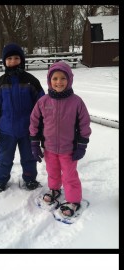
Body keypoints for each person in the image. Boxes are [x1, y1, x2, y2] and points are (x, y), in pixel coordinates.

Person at [29, 61, 92, 219]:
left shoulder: (76, 102)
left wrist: (82, 145)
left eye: (63, 78)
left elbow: (84, 124)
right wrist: (35, 143)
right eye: (55, 78)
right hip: (49, 148)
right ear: (49, 80)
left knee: (70, 176)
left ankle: (73, 200)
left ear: (69, 79)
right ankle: (55, 189)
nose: (58, 82)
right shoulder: (43, 101)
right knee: (53, 172)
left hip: (69, 149)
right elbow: (34, 122)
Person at [0, 44, 45, 193]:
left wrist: (42, 130)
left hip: (28, 131)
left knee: (29, 157)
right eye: (9, 58)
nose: (13, 61)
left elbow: (42, 107)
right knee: (3, 159)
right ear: (4, 61)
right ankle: (0, 181)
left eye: (17, 58)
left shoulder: (32, 81)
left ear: (22, 60)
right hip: (6, 131)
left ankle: (30, 179)